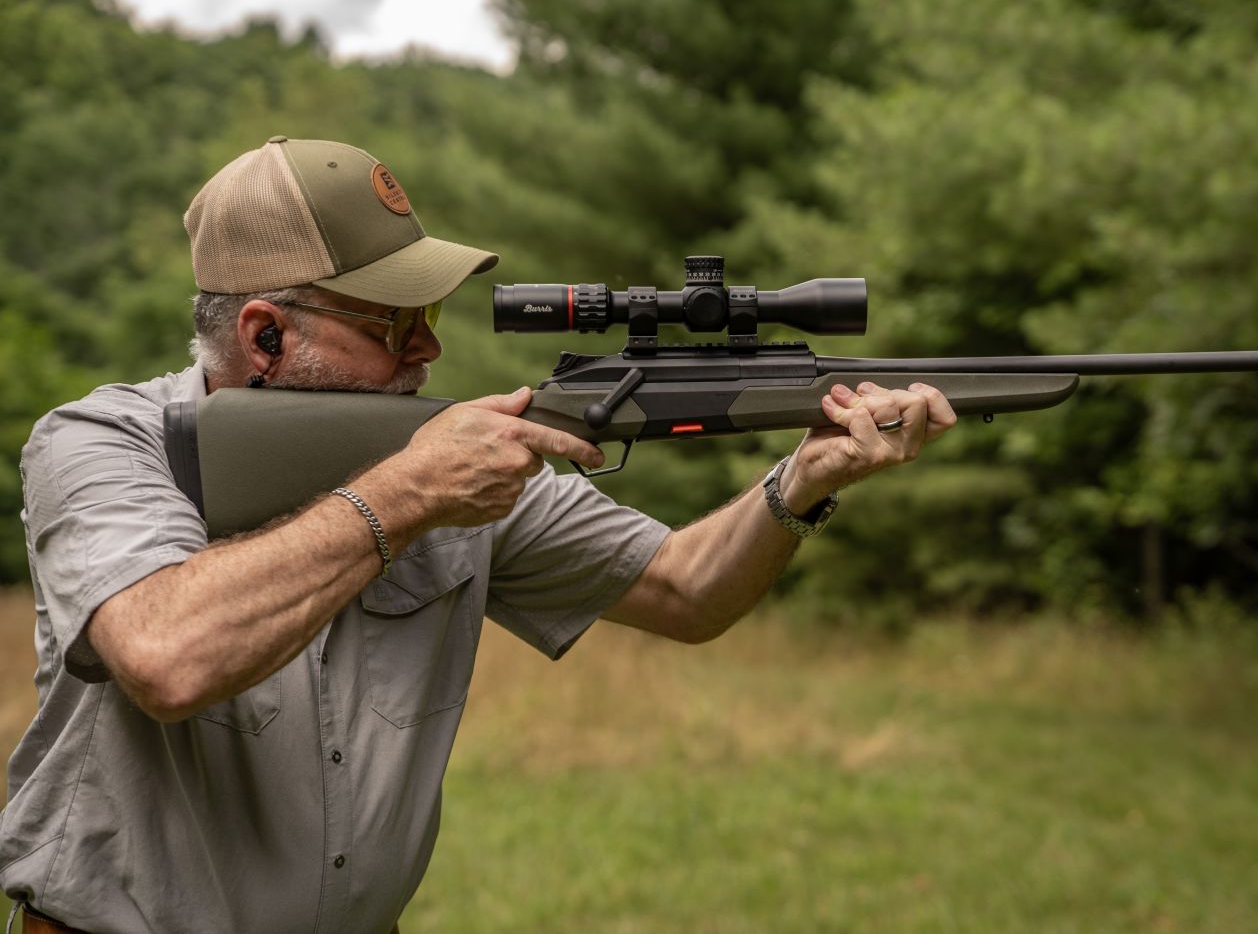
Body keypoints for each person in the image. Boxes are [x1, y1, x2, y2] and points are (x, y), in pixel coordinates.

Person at [1, 136, 954, 934]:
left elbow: (687, 588)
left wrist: (801, 479)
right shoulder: (106, 442)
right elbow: (169, 656)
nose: (430, 348)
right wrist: (405, 495)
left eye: (431, 314)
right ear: (264, 335)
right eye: (394, 322)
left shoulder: (448, 461)